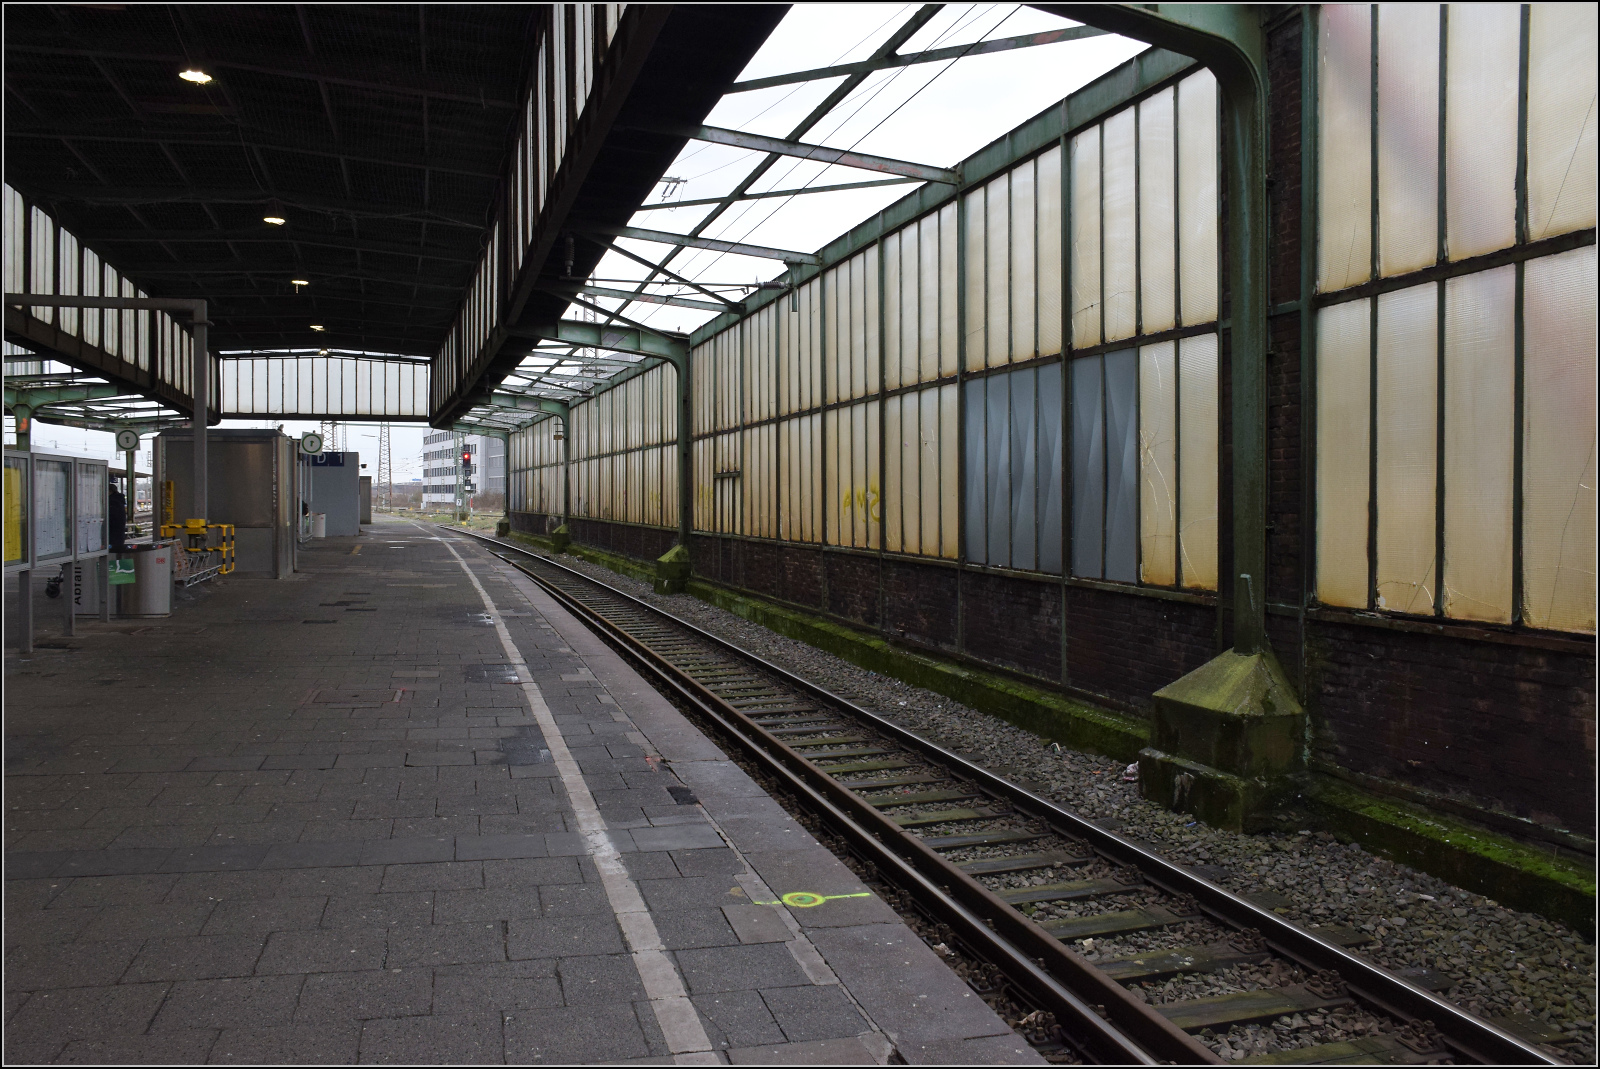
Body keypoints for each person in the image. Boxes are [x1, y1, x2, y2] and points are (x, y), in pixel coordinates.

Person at [108, 482, 129, 550]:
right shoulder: (119, 501)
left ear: (110, 491)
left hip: (112, 535)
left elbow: (111, 519)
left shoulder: (112, 502)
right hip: (119, 534)